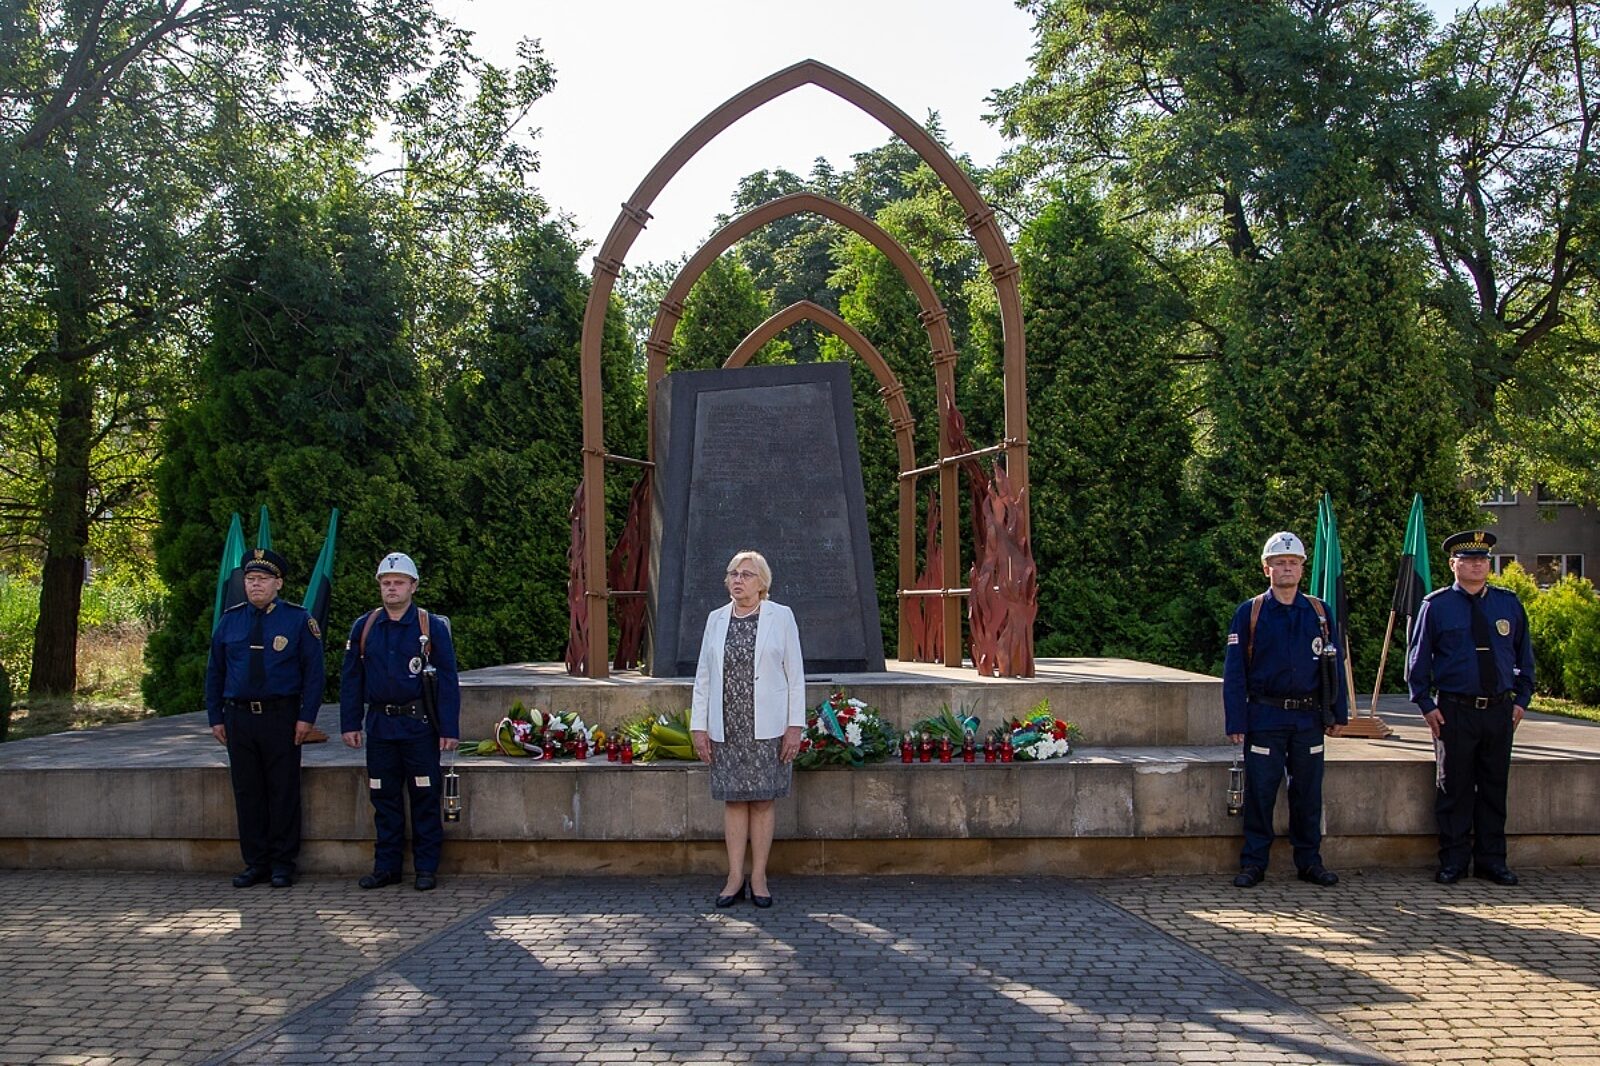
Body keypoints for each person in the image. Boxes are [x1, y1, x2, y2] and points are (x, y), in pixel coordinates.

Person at [1407, 529, 1534, 886]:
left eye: (1482, 560)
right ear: (1453, 564)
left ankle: (1492, 861)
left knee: (1494, 788)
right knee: (1454, 788)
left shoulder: (1508, 604)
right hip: (1455, 711)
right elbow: (1418, 661)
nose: (1477, 565)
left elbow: (1524, 656)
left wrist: (1521, 700)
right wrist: (1426, 705)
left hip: (1498, 710)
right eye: (1468, 560)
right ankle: (1454, 860)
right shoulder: (1436, 606)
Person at [1222, 531, 1348, 888]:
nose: (1287, 568)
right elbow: (1235, 671)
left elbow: (1334, 665)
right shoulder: (1250, 612)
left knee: (1308, 793)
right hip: (1265, 717)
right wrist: (1236, 720)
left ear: (1302, 568)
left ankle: (1309, 862)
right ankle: (1253, 863)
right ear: (1267, 569)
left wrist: (1338, 713)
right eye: (1280, 563)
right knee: (1261, 793)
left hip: (1308, 718)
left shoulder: (1319, 612)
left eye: (1293, 562)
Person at [690, 550, 806, 909]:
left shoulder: (781, 617)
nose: (737, 580)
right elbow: (703, 677)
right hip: (727, 726)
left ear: (762, 583)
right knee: (734, 800)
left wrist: (794, 727)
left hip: (767, 726)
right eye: (733, 573)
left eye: (746, 574)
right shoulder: (715, 619)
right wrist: (699, 727)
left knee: (763, 800)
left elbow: (795, 676)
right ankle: (734, 877)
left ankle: (759, 878)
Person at [205, 548, 326, 889]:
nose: (255, 585)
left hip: (280, 716)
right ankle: (255, 862)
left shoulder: (298, 620)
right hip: (239, 717)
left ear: (278, 583)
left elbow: (314, 674)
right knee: (248, 792)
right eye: (250, 579)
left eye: (262, 579)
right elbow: (215, 672)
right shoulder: (230, 620)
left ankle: (283, 863)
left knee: (282, 790)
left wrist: (306, 717)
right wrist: (215, 717)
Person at [340, 552, 461, 891]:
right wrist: (350, 723)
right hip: (380, 727)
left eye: (398, 582)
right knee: (383, 798)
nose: (391, 588)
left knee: (425, 796)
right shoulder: (365, 627)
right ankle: (386, 868)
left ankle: (426, 868)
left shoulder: (430, 627)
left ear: (413, 586)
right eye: (386, 583)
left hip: (418, 727)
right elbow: (351, 679)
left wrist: (449, 728)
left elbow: (448, 680)